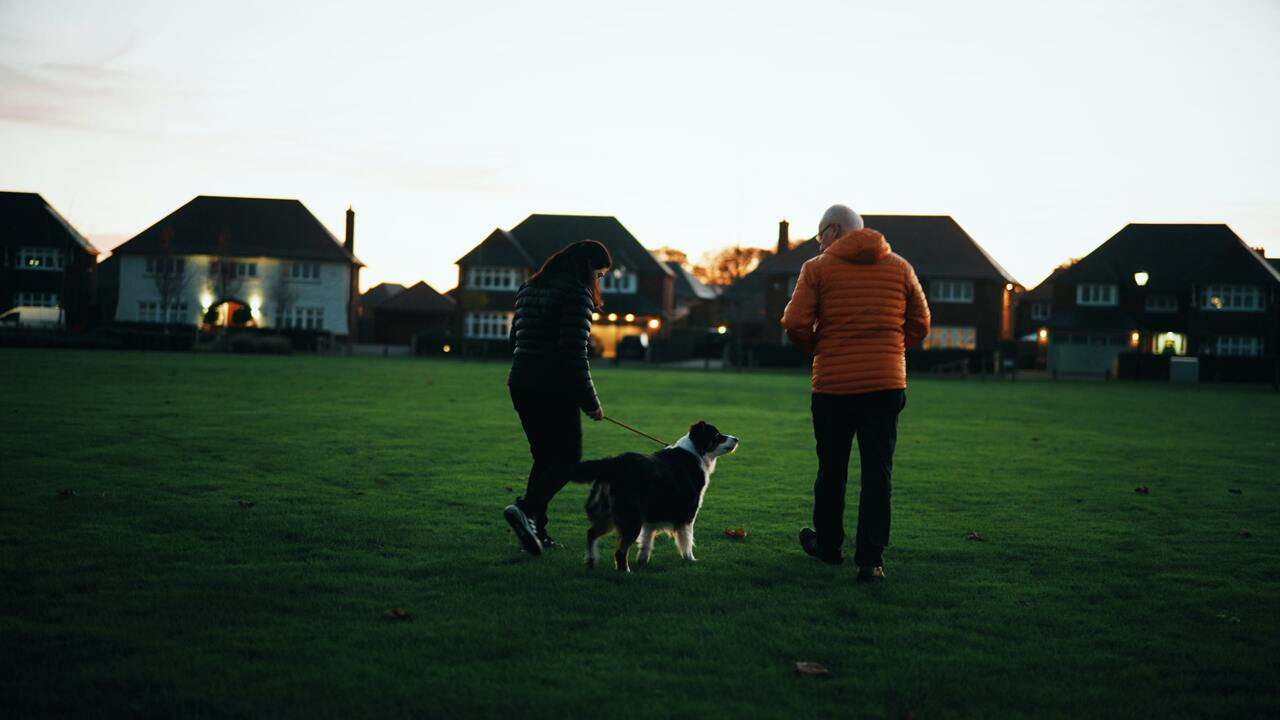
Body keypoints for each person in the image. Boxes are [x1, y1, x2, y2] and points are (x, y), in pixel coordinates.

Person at [781, 205, 930, 582]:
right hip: (886, 385)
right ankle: (870, 560)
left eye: (819, 236)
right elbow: (921, 323)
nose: (819, 243)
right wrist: (892, 350)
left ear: (833, 230)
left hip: (834, 386)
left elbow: (794, 322)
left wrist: (818, 347)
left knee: (832, 470)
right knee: (878, 472)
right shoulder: (901, 268)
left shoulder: (816, 269)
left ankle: (829, 546)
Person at [503, 240, 611, 555]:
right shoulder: (577, 294)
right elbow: (574, 355)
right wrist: (591, 403)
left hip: (521, 383)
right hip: (553, 388)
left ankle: (536, 530)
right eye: (600, 274)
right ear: (588, 266)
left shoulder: (529, 288)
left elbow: (516, 339)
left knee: (546, 457)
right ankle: (526, 509)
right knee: (566, 460)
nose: (599, 281)